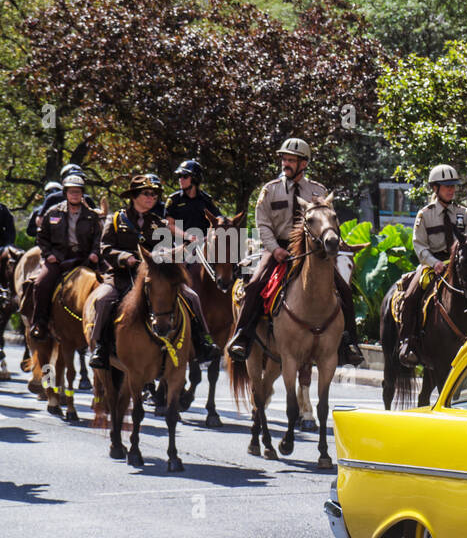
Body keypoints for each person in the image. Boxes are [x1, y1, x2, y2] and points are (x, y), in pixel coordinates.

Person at [227, 138, 363, 366]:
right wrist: (275, 249)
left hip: (313, 252)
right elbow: (263, 224)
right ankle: (243, 336)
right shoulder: (270, 190)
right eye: (284, 159)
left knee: (344, 290)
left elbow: (330, 221)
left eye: (291, 160)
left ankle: (348, 343)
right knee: (254, 285)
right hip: (278, 248)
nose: (285, 163)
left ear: (304, 164)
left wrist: (339, 245)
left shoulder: (318, 191)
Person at [90, 174, 220, 369]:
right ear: (133, 196)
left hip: (154, 276)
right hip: (122, 275)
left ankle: (202, 343)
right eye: (146, 194)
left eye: (154, 195)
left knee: (191, 296)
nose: (151, 198)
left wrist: (179, 250)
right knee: (103, 299)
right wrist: (125, 258)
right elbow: (106, 248)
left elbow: (165, 250)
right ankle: (100, 347)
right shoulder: (116, 219)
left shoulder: (159, 224)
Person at [397, 164, 467, 368]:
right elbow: (419, 245)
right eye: (446, 186)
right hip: (434, 265)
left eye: (453, 186)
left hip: (458, 265)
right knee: (412, 294)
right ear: (435, 188)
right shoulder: (425, 214)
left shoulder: (463, 214)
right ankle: (408, 342)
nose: (451, 190)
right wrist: (434, 262)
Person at [28, 172, 101, 341]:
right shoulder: (53, 212)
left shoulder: (91, 215)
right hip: (58, 259)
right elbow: (42, 237)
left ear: (82, 193)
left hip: (84, 260)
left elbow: (99, 238)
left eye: (78, 191)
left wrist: (95, 253)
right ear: (65, 193)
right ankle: (40, 323)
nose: (75, 195)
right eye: (71, 191)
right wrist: (48, 254)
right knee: (40, 284)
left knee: (107, 285)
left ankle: (104, 330)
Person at [164, 159, 223, 287]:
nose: (180, 179)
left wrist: (209, 236)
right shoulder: (174, 200)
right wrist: (188, 236)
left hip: (204, 247)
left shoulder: (206, 200)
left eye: (185, 176)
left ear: (195, 179)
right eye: (179, 176)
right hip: (180, 247)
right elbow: (170, 225)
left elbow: (219, 220)